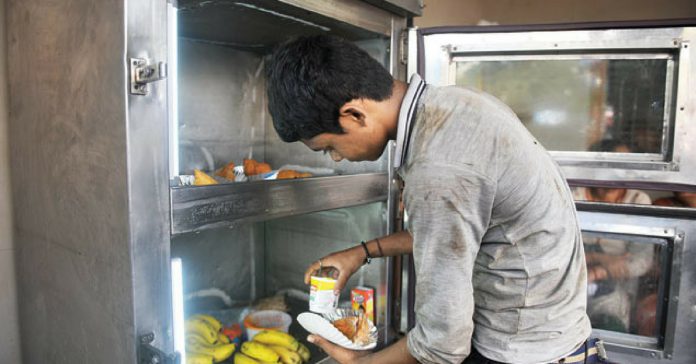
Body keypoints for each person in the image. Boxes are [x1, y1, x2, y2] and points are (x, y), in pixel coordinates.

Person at [265, 35, 594, 364]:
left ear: (354, 114)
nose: (335, 159)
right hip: (558, 332)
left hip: (524, 352)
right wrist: (360, 253)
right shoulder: (454, 105)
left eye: (328, 147)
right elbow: (458, 230)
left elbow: (441, 346)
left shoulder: (437, 167)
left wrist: (359, 363)